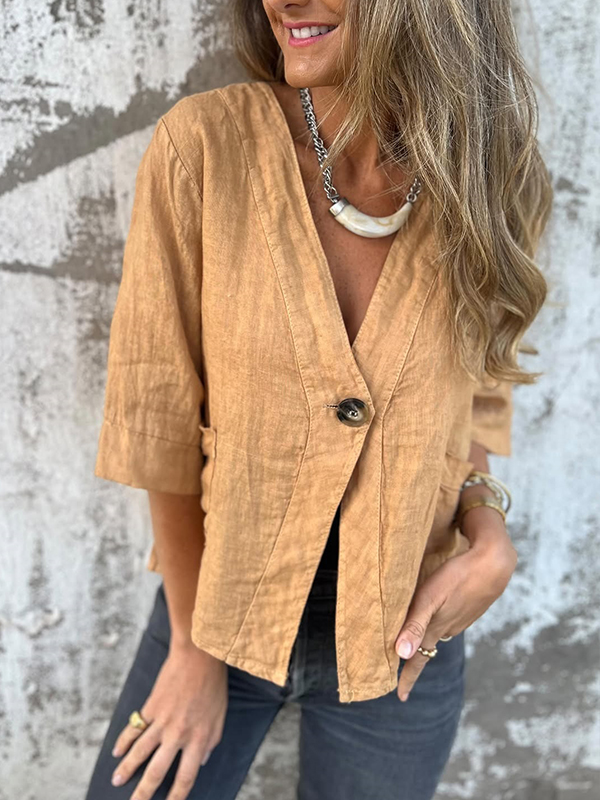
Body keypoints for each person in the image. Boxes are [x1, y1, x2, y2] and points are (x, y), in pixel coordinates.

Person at [85, 0, 552, 798]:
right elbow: (158, 416)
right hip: (219, 605)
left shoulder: (486, 174)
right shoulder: (205, 148)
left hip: (406, 632)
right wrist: (192, 650)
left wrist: (489, 532)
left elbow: (474, 402)